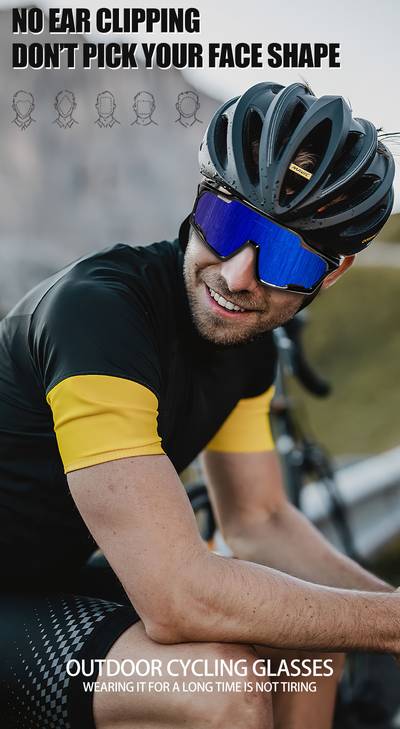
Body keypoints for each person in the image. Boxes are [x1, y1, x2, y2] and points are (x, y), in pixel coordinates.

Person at [0, 81, 397, 729]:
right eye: (229, 224)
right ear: (199, 200)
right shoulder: (97, 314)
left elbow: (259, 519)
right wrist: (390, 624)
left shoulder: (247, 349)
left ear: (331, 273)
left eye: (286, 258)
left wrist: (385, 605)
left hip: (50, 580)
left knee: (312, 639)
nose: (236, 276)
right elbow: (175, 597)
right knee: (222, 685)